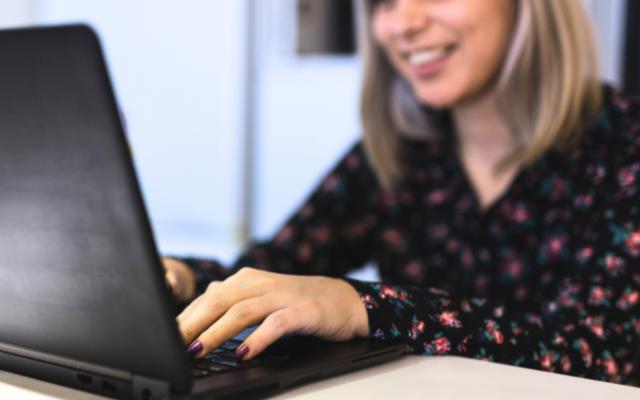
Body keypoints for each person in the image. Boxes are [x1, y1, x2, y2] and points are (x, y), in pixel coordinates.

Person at [164, 0, 640, 385]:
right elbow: (273, 271)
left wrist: (365, 308)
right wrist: (181, 279)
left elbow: (600, 354)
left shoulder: (624, 147)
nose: (403, 22)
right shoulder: (398, 154)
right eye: (382, 2)